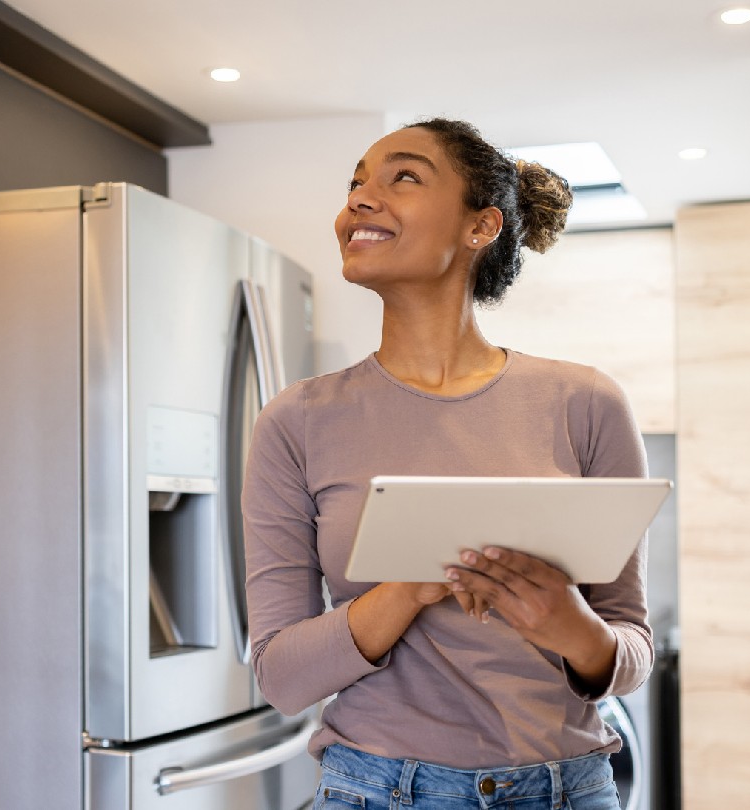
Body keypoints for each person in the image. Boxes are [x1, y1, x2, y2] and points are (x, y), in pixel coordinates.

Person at [243, 118, 651, 810]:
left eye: (401, 177)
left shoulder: (585, 402)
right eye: (355, 184)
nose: (360, 200)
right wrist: (407, 587)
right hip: (375, 792)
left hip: (563, 790)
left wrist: (569, 625)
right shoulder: (298, 421)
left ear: (480, 226)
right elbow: (279, 676)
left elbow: (632, 647)